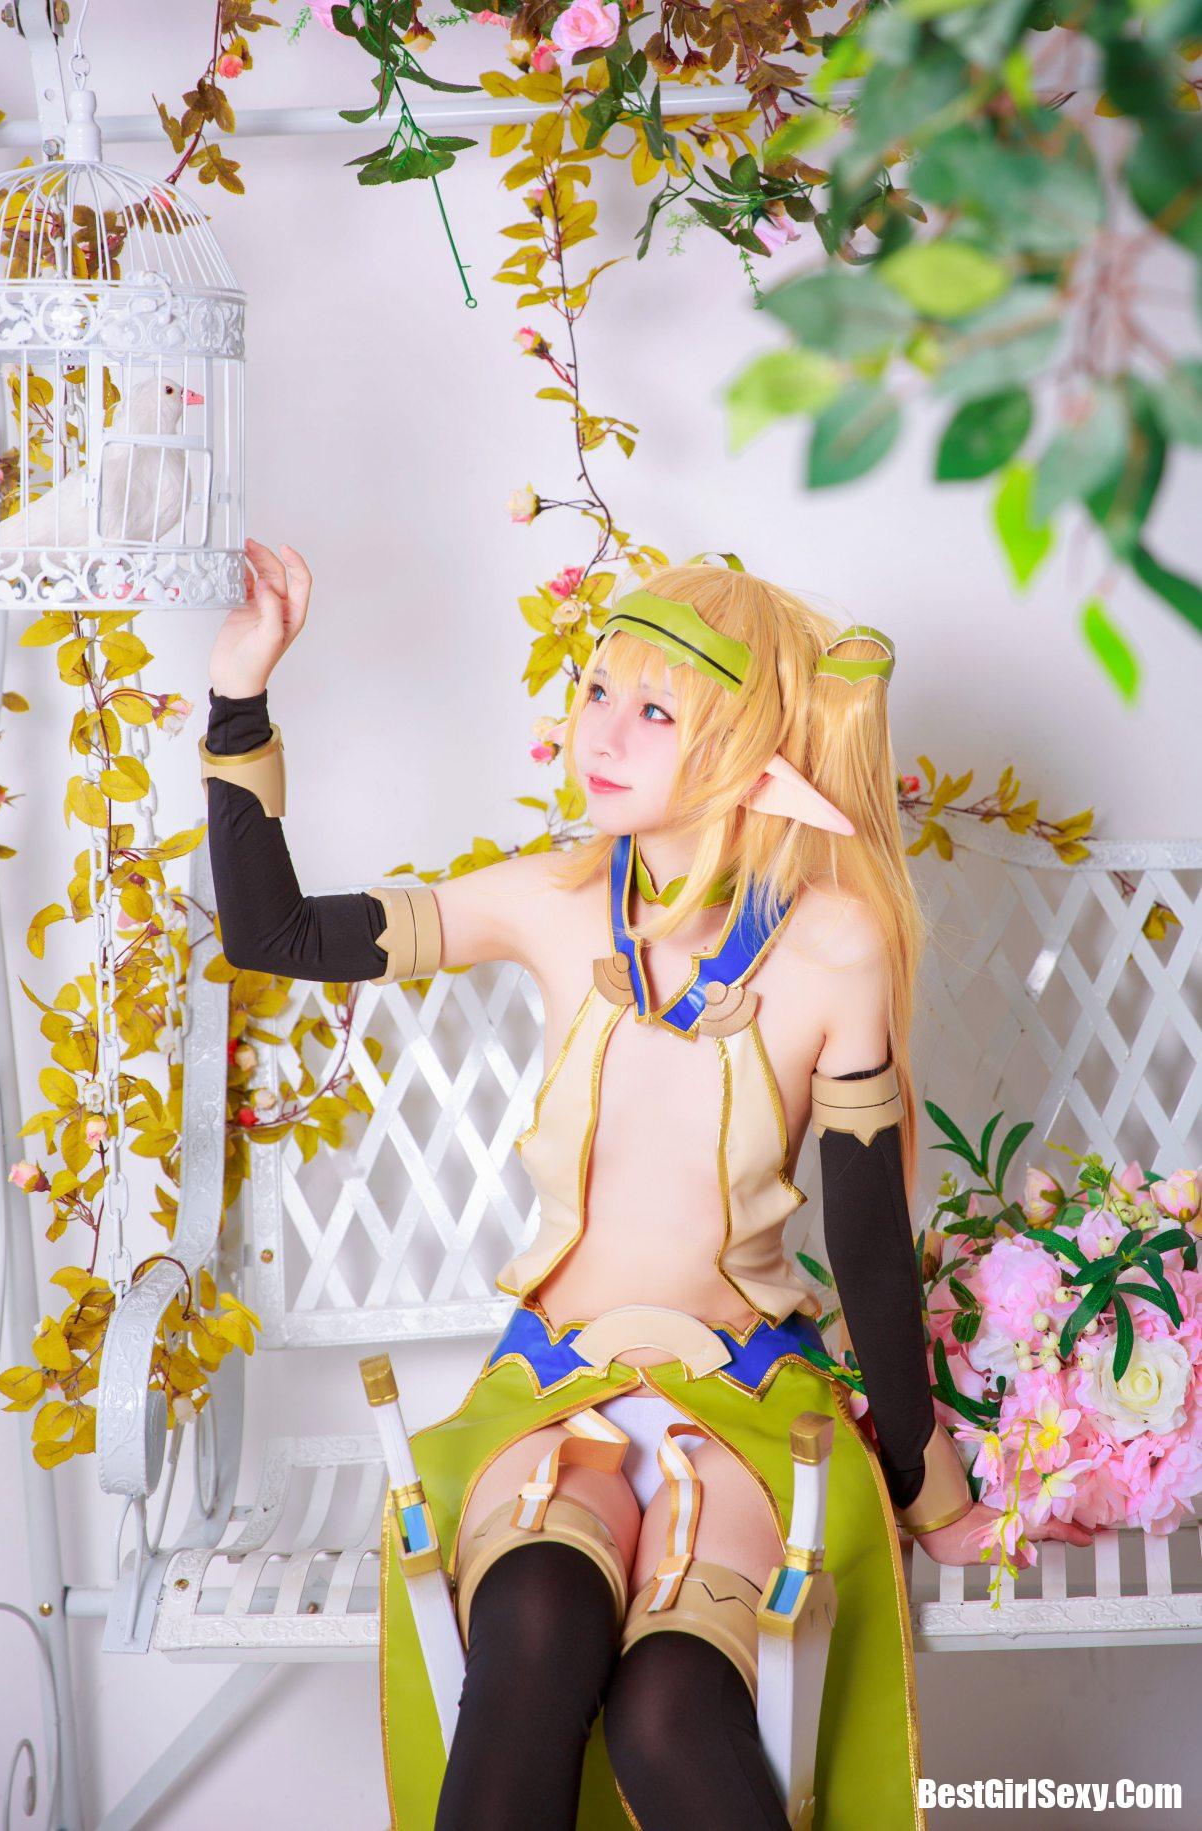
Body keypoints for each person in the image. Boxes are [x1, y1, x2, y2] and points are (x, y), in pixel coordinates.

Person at [201, 538, 1093, 1831]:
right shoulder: (550, 897)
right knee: (535, 1619)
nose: (601, 734)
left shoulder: (836, 946)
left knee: (672, 1704)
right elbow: (271, 934)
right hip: (550, 1385)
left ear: (752, 748)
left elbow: (866, 1251)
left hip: (743, 1401)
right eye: (595, 692)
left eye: (656, 711)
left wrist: (931, 1495)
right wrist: (240, 694)